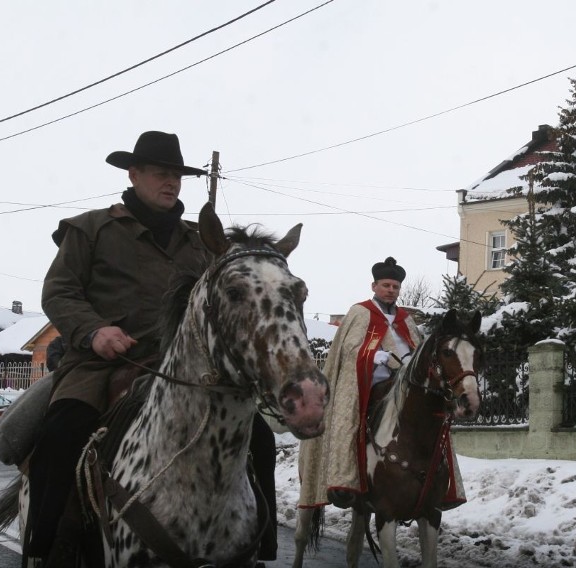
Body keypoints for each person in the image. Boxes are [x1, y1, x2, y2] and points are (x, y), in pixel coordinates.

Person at [28, 131, 278, 566]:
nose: (172, 183)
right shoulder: (91, 229)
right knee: (61, 432)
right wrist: (94, 331)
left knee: (258, 435)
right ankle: (49, 546)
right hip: (101, 363)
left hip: (184, 366)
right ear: (134, 173)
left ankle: (259, 545)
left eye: (178, 176)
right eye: (162, 174)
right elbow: (59, 291)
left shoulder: (201, 241)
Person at [297, 257, 465, 510]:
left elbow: (418, 349)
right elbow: (348, 349)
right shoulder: (359, 312)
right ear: (374, 286)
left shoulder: (406, 319)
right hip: (367, 382)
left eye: (395, 287)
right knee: (349, 420)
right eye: (386, 285)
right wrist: (374, 356)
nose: (391, 290)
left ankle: (437, 481)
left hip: (403, 379)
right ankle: (346, 478)